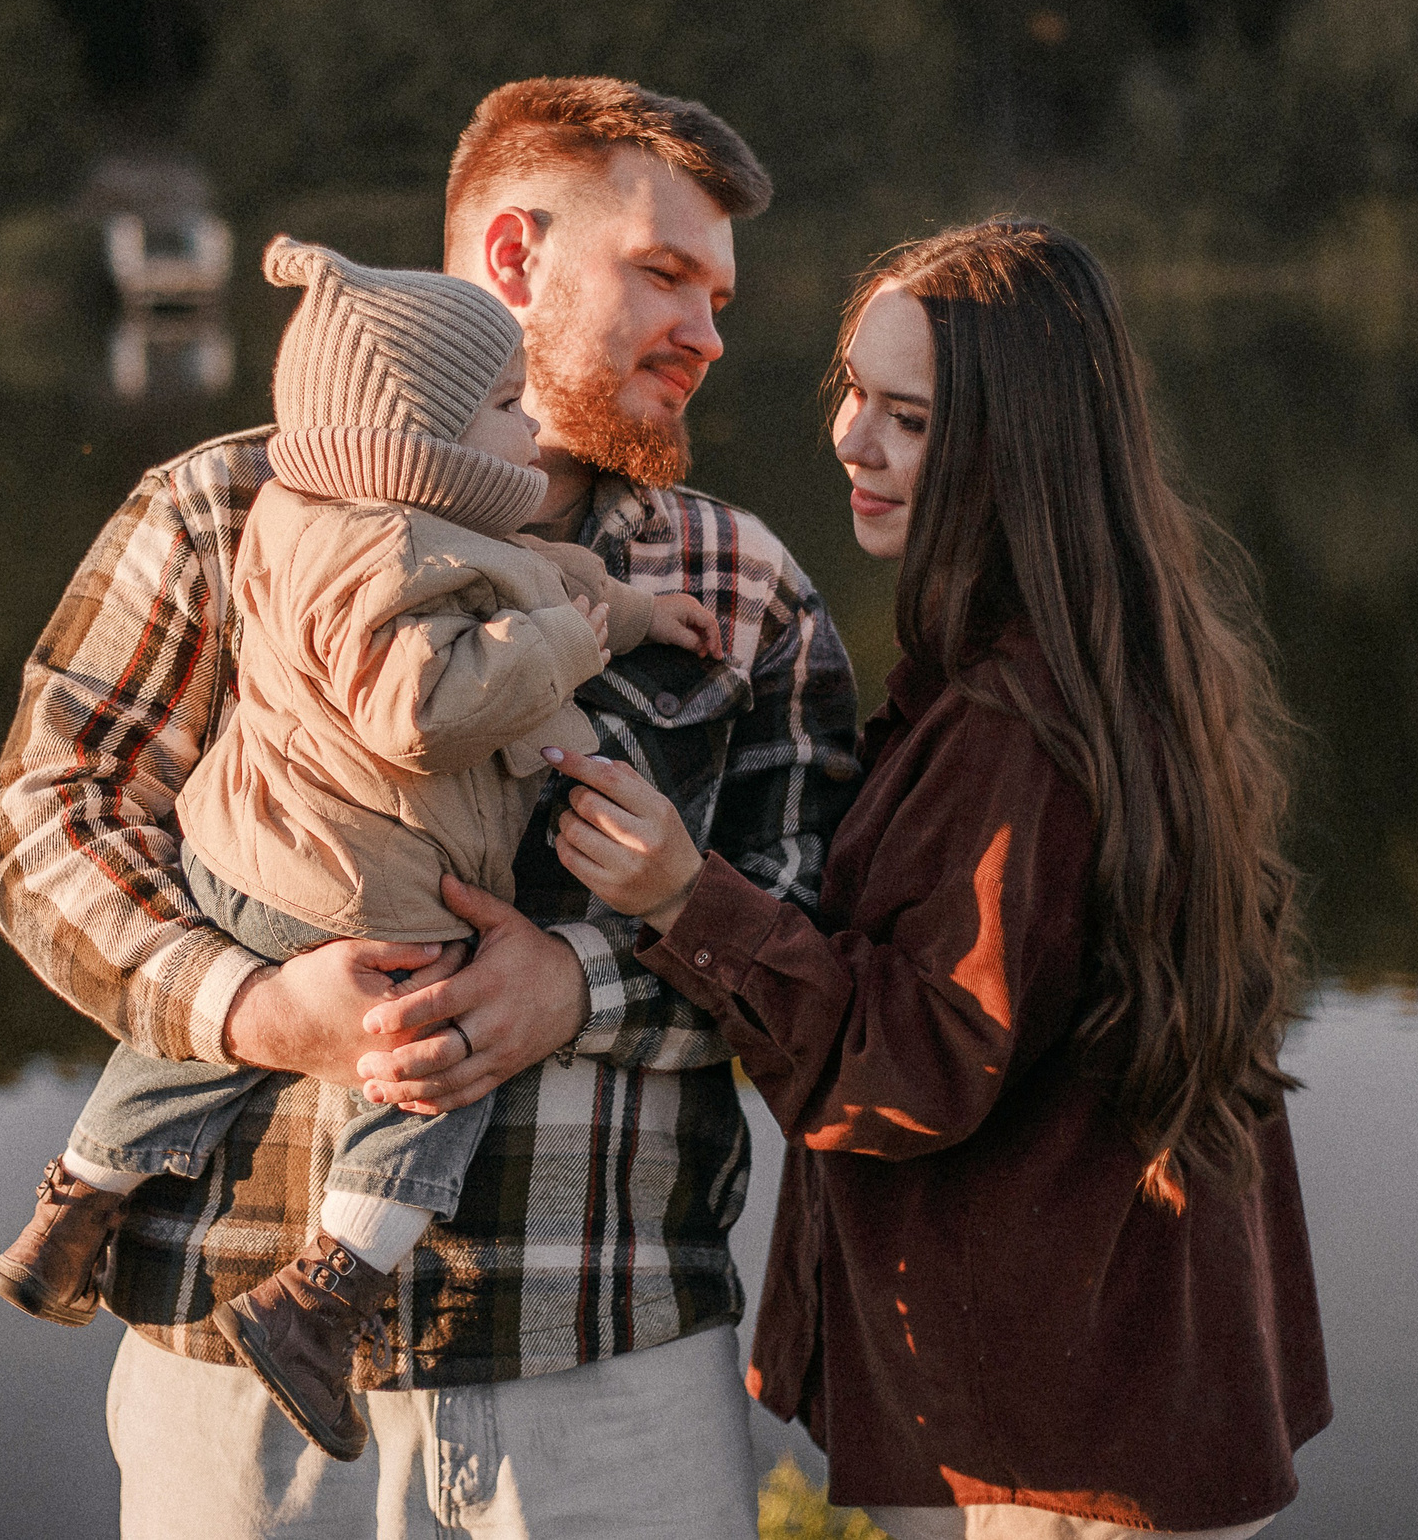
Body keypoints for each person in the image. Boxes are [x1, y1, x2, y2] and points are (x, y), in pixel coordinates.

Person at [0, 76, 860, 1538]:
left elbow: (819, 932)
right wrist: (255, 1008)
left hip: (610, 1376)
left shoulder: (736, 580)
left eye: (717, 294)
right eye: (664, 276)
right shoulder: (224, 510)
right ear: (512, 262)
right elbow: (43, 825)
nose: (707, 331)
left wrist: (576, 986)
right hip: (231, 1377)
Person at [539, 219, 1332, 1538]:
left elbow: (912, 1066)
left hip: (1046, 1454)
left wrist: (688, 900)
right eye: (854, 392)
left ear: (1010, 452)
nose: (851, 440)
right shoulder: (1116, 656)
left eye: (904, 417)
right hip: (1110, 1388)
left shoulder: (1020, 722)